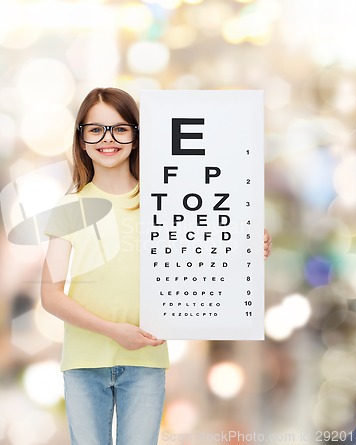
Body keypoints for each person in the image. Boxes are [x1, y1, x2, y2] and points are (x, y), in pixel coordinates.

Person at [41, 87, 272, 445]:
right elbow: (51, 296)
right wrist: (113, 330)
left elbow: (204, 249)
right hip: (85, 362)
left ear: (136, 135)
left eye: (120, 128)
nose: (108, 139)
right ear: (82, 139)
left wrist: (245, 245)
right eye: (96, 129)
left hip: (146, 360)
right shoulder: (71, 206)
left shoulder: (166, 199)